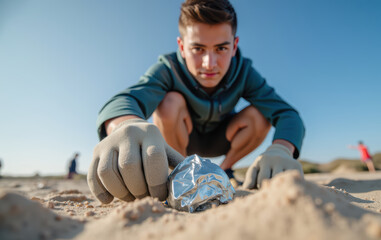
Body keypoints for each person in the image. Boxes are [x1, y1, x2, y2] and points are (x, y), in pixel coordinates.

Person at [88, 0, 305, 204]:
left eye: (221, 48)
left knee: (260, 114)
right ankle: (182, 173)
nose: (209, 63)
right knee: (169, 102)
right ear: (181, 46)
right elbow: (126, 99)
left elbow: (287, 114)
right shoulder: (168, 68)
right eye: (198, 49)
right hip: (181, 142)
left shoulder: (245, 72)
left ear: (235, 45)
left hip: (224, 138)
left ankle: (225, 171)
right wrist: (125, 126)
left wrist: (281, 149)